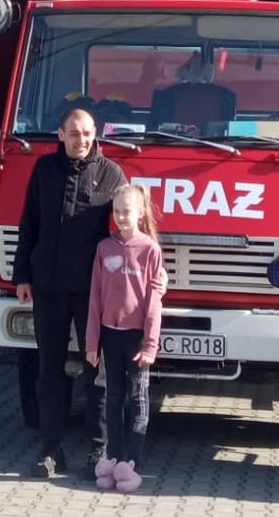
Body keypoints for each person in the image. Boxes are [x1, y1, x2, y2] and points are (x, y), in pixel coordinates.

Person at [13, 107, 127, 478]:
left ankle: (98, 451)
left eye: (88, 133)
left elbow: (129, 229)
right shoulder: (44, 171)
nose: (82, 140)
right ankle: (51, 450)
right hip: (47, 287)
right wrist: (22, 276)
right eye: (74, 133)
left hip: (91, 292)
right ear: (60, 134)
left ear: (97, 134)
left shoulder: (111, 174)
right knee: (48, 372)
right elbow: (28, 223)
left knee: (95, 370)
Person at [84, 184, 166, 494]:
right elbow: (95, 298)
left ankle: (134, 461)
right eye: (116, 211)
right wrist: (92, 343)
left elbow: (153, 303)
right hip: (110, 336)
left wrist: (150, 344)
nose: (120, 216)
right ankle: (114, 455)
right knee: (113, 398)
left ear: (140, 212)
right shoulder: (104, 248)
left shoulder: (150, 250)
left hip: (136, 339)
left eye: (127, 211)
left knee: (139, 398)